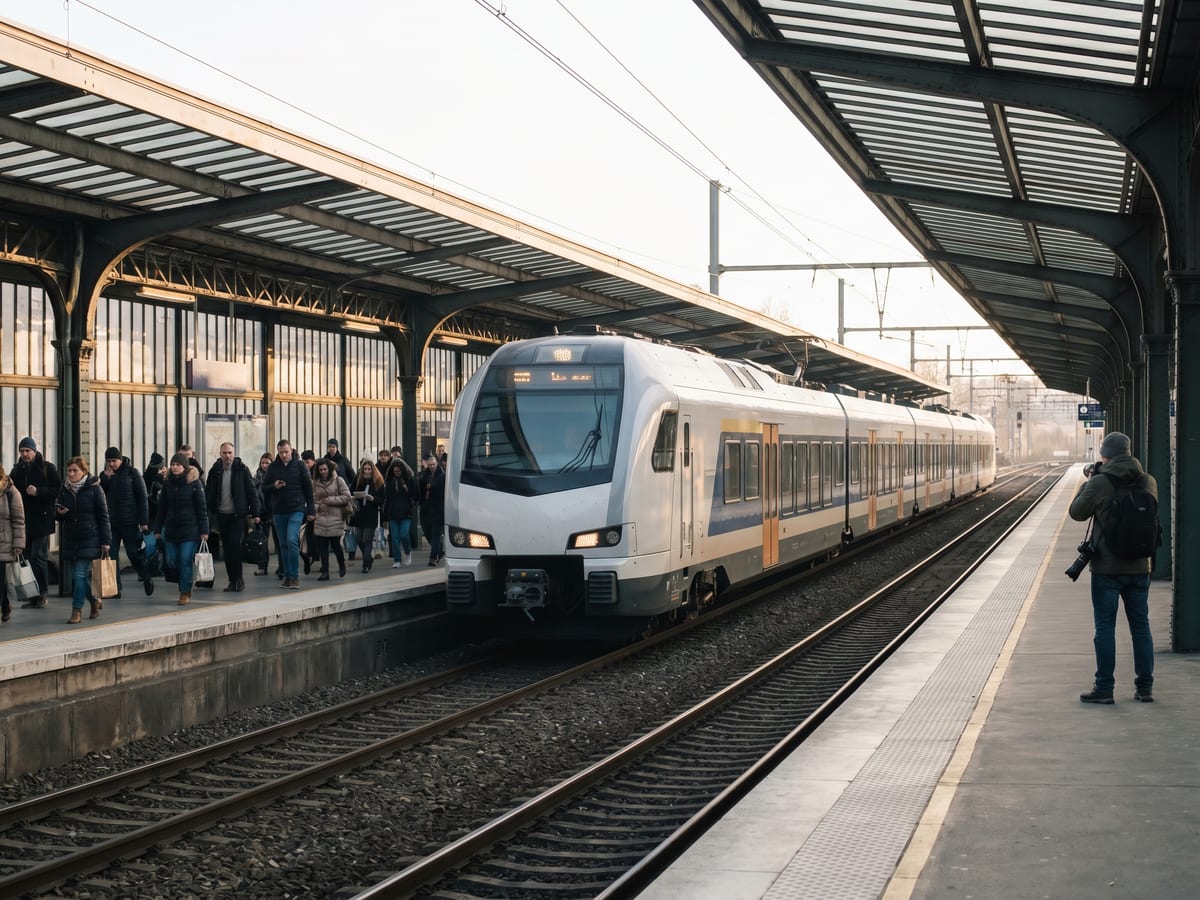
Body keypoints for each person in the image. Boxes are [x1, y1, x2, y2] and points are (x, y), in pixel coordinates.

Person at [1068, 431, 1158, 704]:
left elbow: (1076, 512)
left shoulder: (1101, 482)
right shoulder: (1148, 480)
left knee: (1105, 628)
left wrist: (1090, 482)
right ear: (1129, 452)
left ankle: (1105, 688)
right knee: (1141, 627)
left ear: (1105, 455)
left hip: (1107, 569)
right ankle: (1145, 688)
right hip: (1141, 567)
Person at [55, 456, 111, 624]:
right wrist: (60, 513)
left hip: (90, 538)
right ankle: (94, 601)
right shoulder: (64, 489)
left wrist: (106, 541)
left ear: (83, 472)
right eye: (69, 471)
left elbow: (103, 516)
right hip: (72, 539)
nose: (71, 474)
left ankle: (76, 610)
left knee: (79, 575)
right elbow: (57, 513)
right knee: (79, 577)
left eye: (75, 471)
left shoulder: (95, 489)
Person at [153, 452, 209, 607]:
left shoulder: (194, 483)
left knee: (185, 559)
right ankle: (184, 582)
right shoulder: (167, 483)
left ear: (184, 467)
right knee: (172, 560)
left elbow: (202, 508)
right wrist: (157, 529)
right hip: (171, 529)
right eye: (173, 464)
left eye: (178, 464)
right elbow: (162, 508)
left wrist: (204, 531)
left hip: (190, 530)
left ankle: (185, 591)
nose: (175, 467)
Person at [11, 436, 60, 609]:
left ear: (34, 451)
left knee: (39, 557)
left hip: (42, 520)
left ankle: (43, 594)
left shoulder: (47, 468)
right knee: (28, 559)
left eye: (27, 451)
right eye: (22, 451)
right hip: (24, 521)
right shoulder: (17, 470)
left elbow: (57, 489)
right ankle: (33, 594)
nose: (24, 454)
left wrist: (38, 491)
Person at [205, 442, 261, 592]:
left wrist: (256, 513)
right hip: (222, 515)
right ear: (220, 454)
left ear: (234, 454)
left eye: (230, 452)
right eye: (224, 453)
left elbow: (252, 492)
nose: (227, 456)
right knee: (228, 550)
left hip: (238, 515)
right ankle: (232, 580)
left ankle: (239, 579)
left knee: (235, 545)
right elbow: (209, 491)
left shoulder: (242, 469)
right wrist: (209, 510)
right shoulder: (215, 470)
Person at [99, 446, 154, 597]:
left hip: (130, 521)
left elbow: (142, 498)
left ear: (121, 460)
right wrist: (105, 479)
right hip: (112, 523)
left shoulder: (132, 473)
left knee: (133, 554)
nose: (111, 464)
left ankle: (146, 577)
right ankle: (114, 588)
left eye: (114, 461)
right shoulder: (104, 476)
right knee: (111, 555)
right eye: (108, 461)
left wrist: (143, 521)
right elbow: (100, 494)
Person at [263, 439, 315, 589]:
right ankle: (287, 576)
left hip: (296, 508)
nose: (284, 455)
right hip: (279, 510)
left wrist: (310, 510)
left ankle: (295, 576)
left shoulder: (300, 466)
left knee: (291, 540)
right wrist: (274, 486)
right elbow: (265, 488)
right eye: (281, 452)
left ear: (291, 450)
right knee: (283, 544)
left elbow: (308, 488)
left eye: (286, 452)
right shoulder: (273, 467)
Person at [311, 459, 351, 580]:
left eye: (325, 469)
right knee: (322, 546)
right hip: (321, 517)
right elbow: (314, 499)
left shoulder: (338, 480)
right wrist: (316, 508)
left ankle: (341, 564)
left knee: (335, 545)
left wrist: (329, 500)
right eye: (320, 470)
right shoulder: (315, 483)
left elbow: (346, 496)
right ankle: (325, 571)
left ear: (329, 469)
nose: (323, 472)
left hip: (335, 516)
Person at [0, 463, 26, 623]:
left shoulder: (10, 491)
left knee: (0, 579)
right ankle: (5, 604)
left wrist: (18, 544)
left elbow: (18, 520)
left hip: (5, 542)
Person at [349, 459, 385, 572]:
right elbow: (350, 491)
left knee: (366, 539)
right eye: (365, 469)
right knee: (358, 538)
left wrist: (372, 498)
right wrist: (355, 497)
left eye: (369, 469)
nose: (367, 471)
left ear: (373, 470)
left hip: (371, 513)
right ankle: (368, 557)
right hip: (359, 513)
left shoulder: (378, 481)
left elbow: (382, 499)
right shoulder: (358, 479)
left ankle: (365, 564)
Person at [384, 456, 417, 567]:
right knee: (395, 538)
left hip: (405, 512)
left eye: (398, 471)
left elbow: (414, 494)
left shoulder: (408, 480)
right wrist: (385, 517)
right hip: (393, 513)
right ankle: (397, 560)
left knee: (403, 534)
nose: (397, 473)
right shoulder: (390, 482)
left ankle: (408, 552)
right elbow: (387, 499)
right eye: (395, 471)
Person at [418, 451, 446, 565]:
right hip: (426, 508)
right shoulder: (425, 475)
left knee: (435, 534)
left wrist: (432, 487)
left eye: (433, 465)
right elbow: (420, 488)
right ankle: (439, 550)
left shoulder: (442, 475)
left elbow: (443, 491)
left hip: (438, 508)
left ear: (436, 463)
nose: (432, 467)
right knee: (427, 532)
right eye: (430, 465)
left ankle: (433, 557)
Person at [253, 452, 277, 577]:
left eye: (267, 463)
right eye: (263, 463)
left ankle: (282, 567)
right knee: (262, 542)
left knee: (279, 542)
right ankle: (262, 566)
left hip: (274, 511)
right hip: (261, 513)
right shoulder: (257, 477)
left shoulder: (275, 476)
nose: (264, 465)